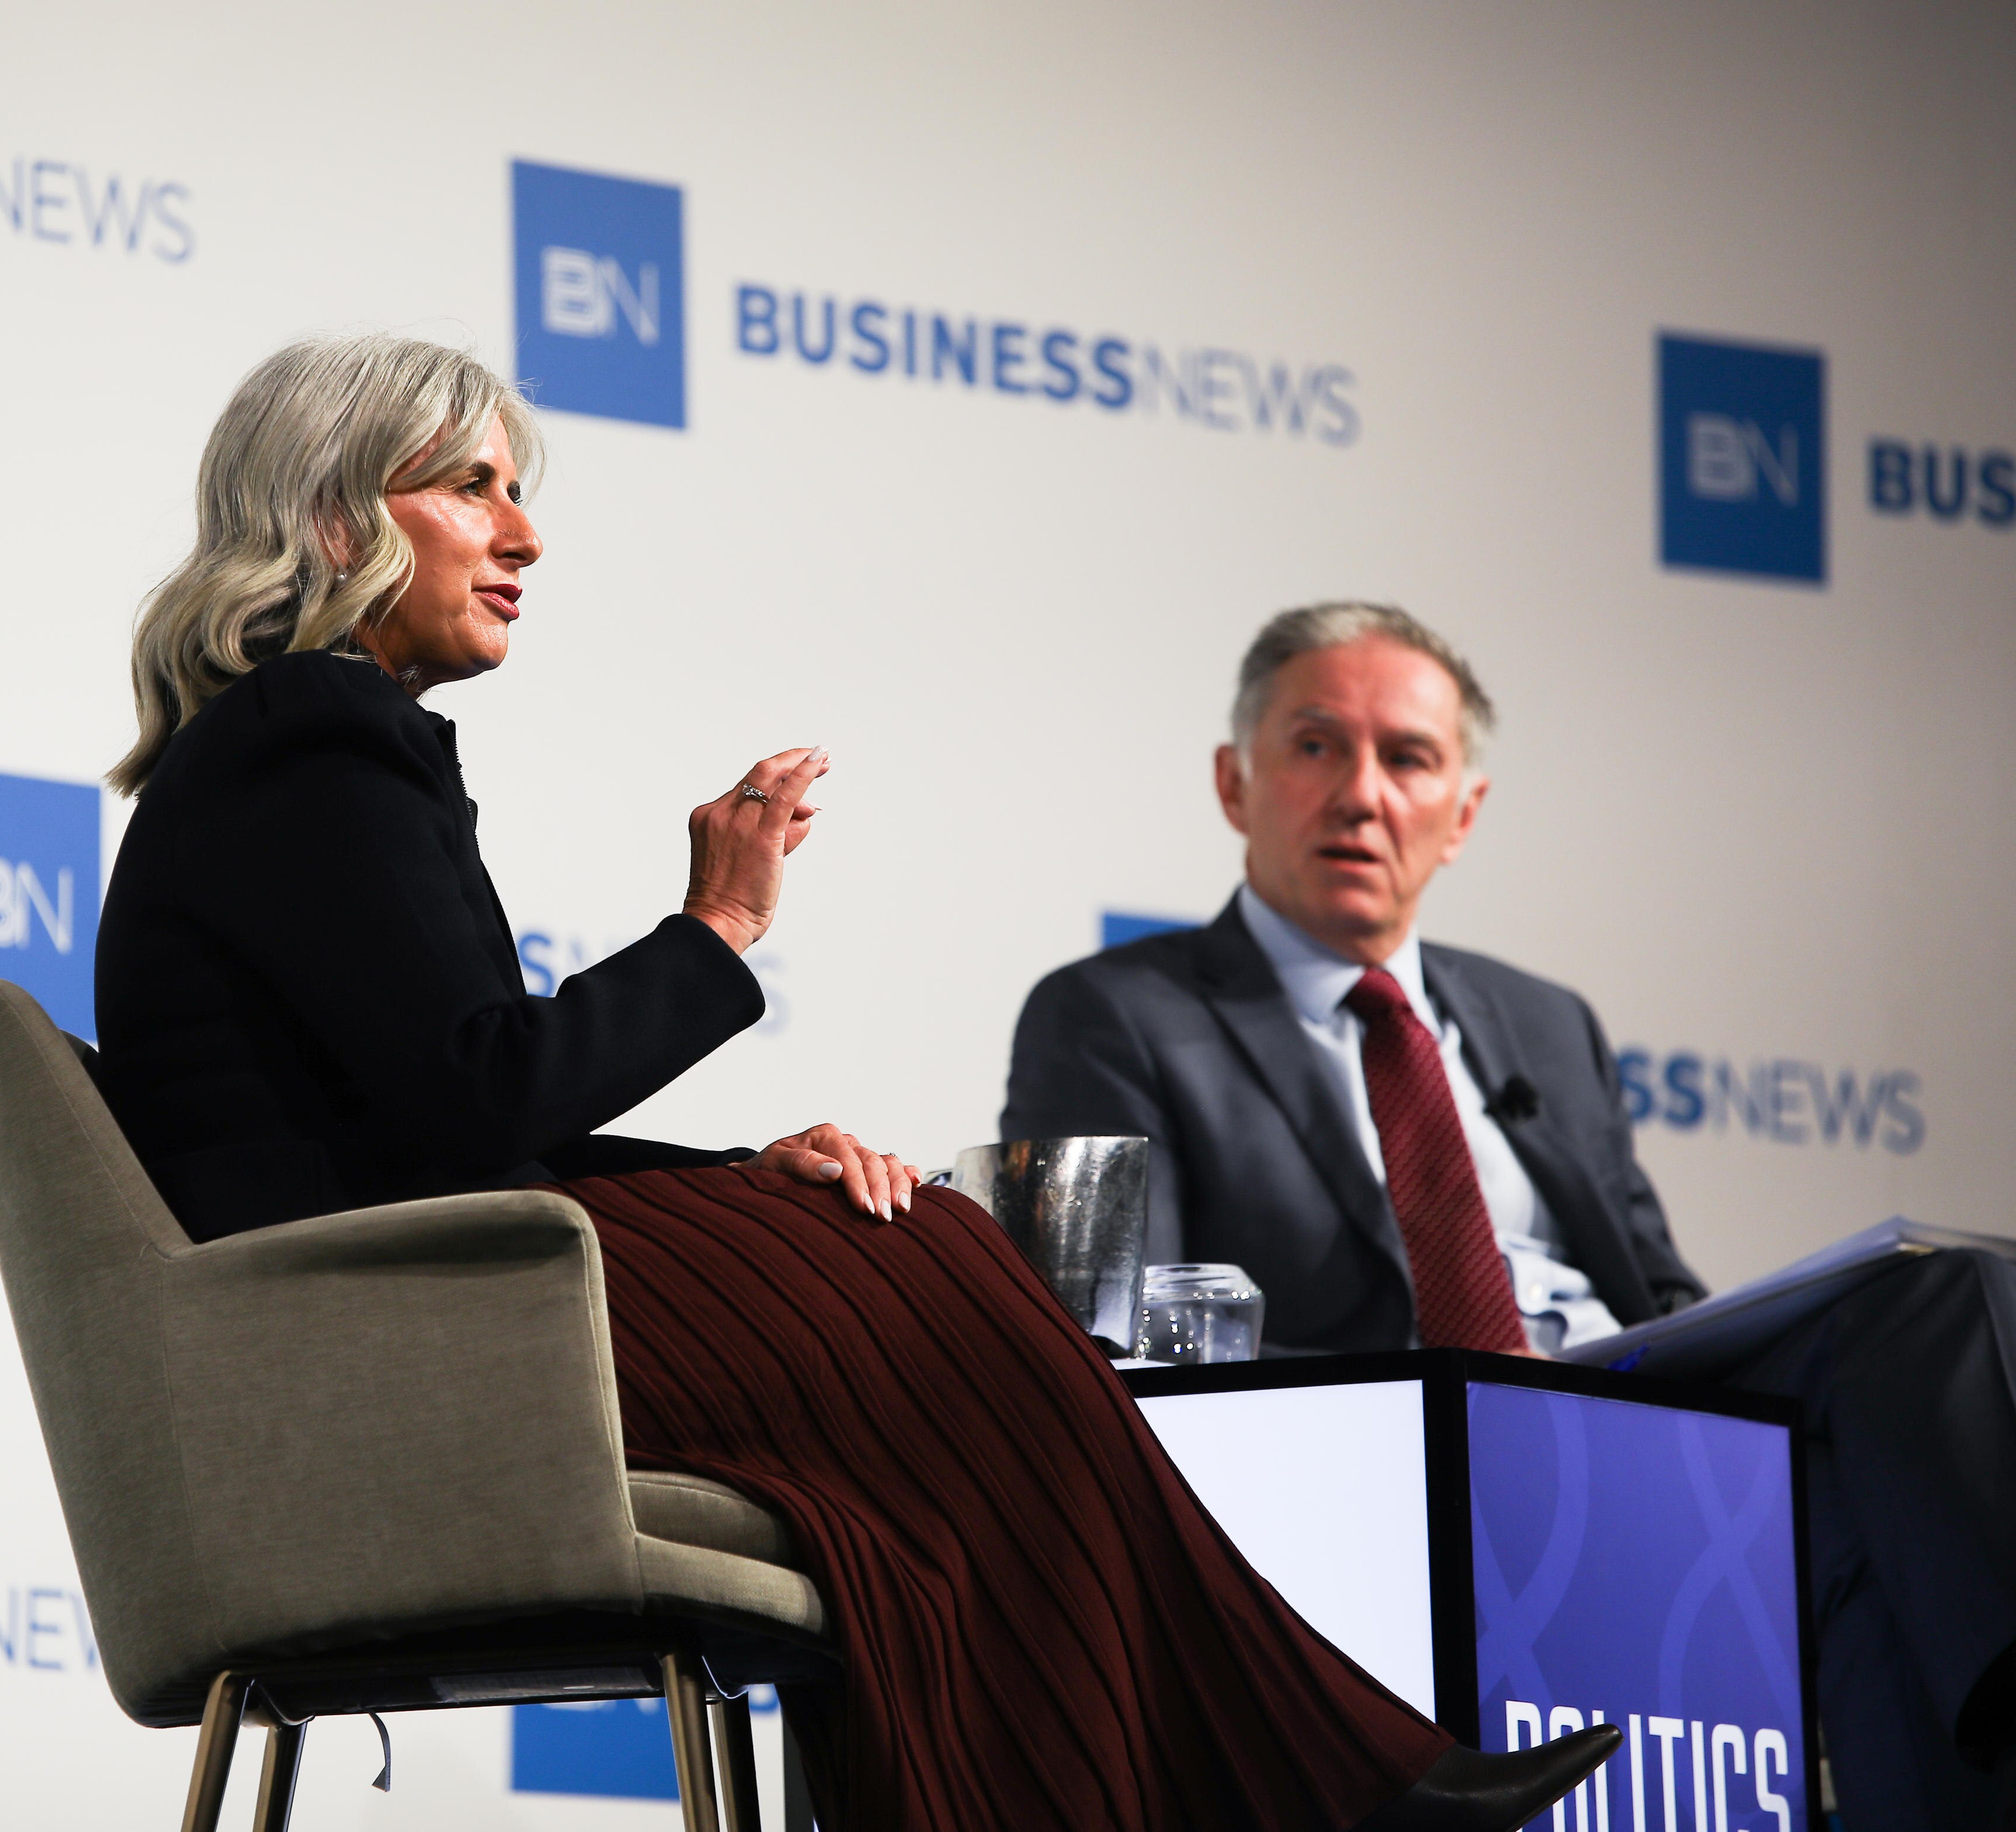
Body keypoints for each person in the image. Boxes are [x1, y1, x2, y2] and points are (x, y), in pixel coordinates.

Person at [91, 337, 1614, 1832]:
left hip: (422, 1299)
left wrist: (737, 1173)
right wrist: (720, 927)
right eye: (474, 488)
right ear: (346, 519)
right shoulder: (313, 745)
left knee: (917, 1376)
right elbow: (484, 1111)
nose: (526, 531)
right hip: (410, 1335)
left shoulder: (288, 752)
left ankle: (1312, 1775)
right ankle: (1337, 1775)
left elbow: (441, 1116)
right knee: (937, 1256)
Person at [1003, 601, 2016, 1832]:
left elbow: (1656, 1289)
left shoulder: (1544, 1020)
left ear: (1463, 811)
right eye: (1315, 746)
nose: (1361, 792)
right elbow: (1121, 1351)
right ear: (1235, 781)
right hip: (1397, 1430)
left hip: (1620, 1389)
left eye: (1408, 757)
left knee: (1942, 1301)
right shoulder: (1118, 1009)